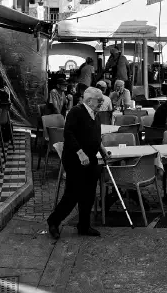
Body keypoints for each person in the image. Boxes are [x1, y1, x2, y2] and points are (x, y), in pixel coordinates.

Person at [47, 87, 107, 239]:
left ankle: (84, 225)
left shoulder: (96, 114)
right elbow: (69, 134)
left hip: (91, 157)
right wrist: (80, 153)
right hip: (75, 158)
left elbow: (96, 136)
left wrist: (102, 149)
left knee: (89, 193)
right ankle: (53, 221)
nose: (102, 102)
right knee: (73, 194)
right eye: (99, 100)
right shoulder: (76, 111)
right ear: (88, 100)